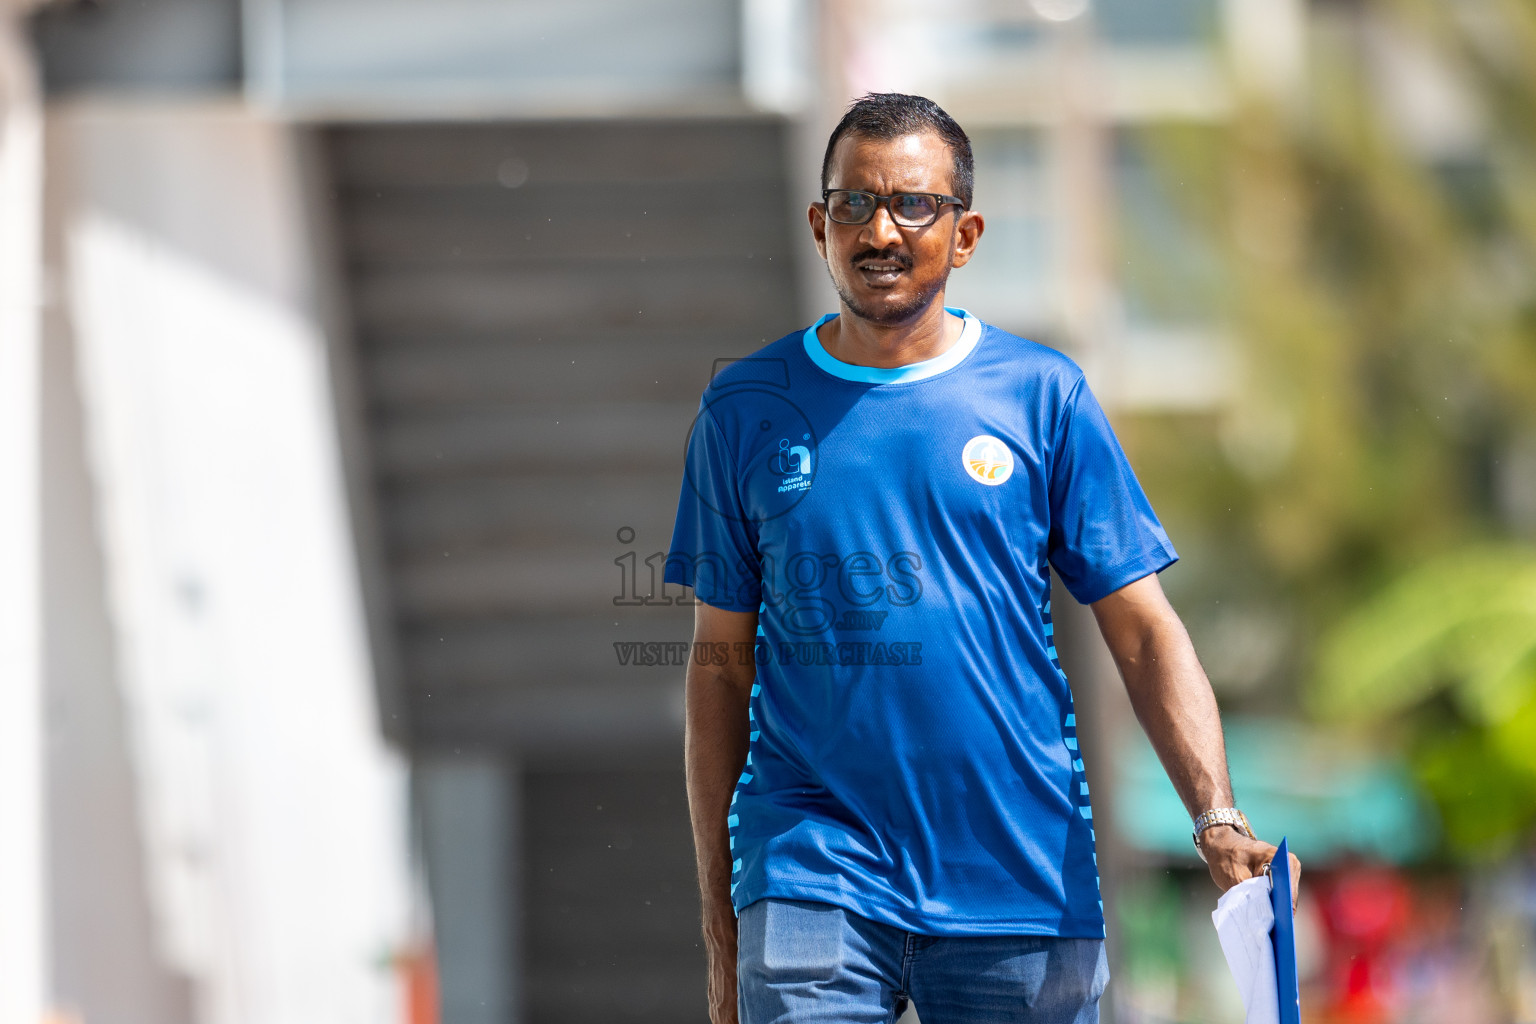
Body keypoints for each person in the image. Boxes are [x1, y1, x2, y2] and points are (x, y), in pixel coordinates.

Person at [665, 93, 1300, 1024]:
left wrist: (1215, 814)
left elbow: (1144, 633)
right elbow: (718, 670)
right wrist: (724, 939)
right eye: (854, 203)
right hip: (812, 867)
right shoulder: (744, 409)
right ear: (818, 225)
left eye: (913, 205)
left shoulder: (1045, 397)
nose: (880, 229)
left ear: (964, 236)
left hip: (1020, 875)